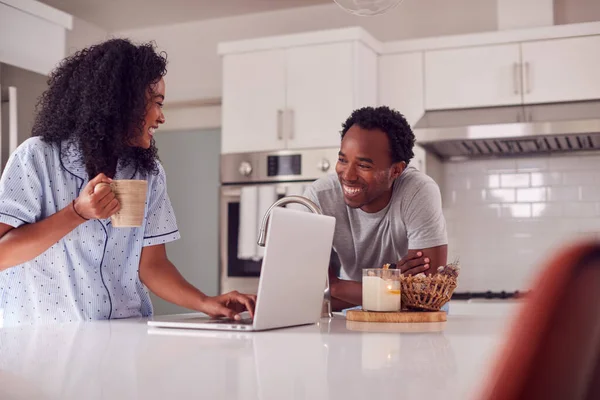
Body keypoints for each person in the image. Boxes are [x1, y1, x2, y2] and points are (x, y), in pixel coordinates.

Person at [0, 39, 255, 326]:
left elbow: (152, 264)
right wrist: (76, 213)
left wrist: (206, 302)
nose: (161, 117)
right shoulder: (37, 157)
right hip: (47, 343)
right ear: (122, 102)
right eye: (157, 104)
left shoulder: (146, 172)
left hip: (124, 337)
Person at [303, 106, 448, 311]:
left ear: (396, 170)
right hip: (351, 309)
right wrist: (394, 286)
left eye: (364, 166)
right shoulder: (319, 197)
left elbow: (424, 295)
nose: (348, 175)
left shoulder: (418, 191)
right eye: (343, 160)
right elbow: (307, 293)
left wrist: (335, 286)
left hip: (413, 316)